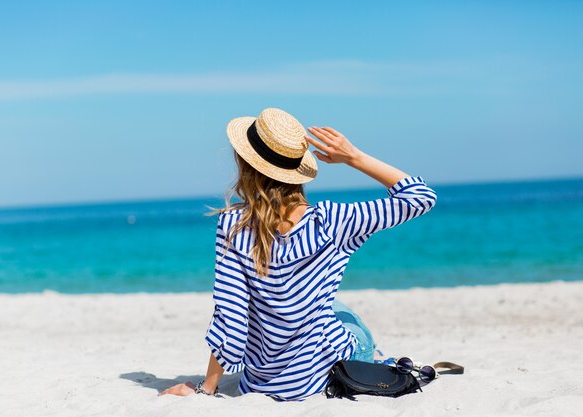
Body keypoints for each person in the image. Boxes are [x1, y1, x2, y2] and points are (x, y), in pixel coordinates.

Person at [160, 108, 437, 401]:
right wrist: (354, 157)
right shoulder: (332, 221)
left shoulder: (232, 226)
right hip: (321, 375)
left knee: (290, 302)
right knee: (340, 310)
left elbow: (231, 316)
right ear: (296, 170)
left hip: (261, 384)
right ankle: (372, 355)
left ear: (245, 164)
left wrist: (207, 389)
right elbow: (420, 197)